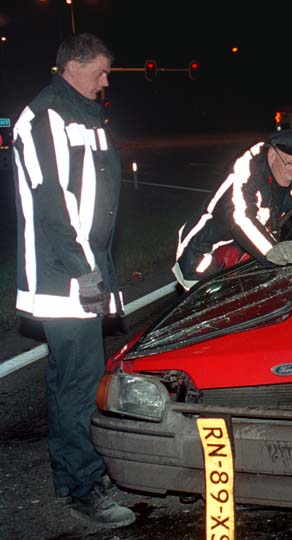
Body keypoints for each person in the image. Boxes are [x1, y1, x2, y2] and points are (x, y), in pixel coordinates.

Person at [11, 33, 136, 528]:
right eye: (101, 71)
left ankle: (71, 476)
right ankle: (86, 487)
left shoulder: (85, 114)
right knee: (82, 383)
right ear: (73, 66)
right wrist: (85, 270)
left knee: (69, 381)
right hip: (63, 277)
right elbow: (52, 202)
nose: (106, 82)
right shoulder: (45, 116)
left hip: (84, 270)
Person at [172, 128, 292, 290]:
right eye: (290, 165)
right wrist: (272, 251)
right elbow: (242, 218)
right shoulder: (246, 173)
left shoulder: (285, 157)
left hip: (242, 251)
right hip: (203, 252)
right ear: (272, 155)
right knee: (207, 307)